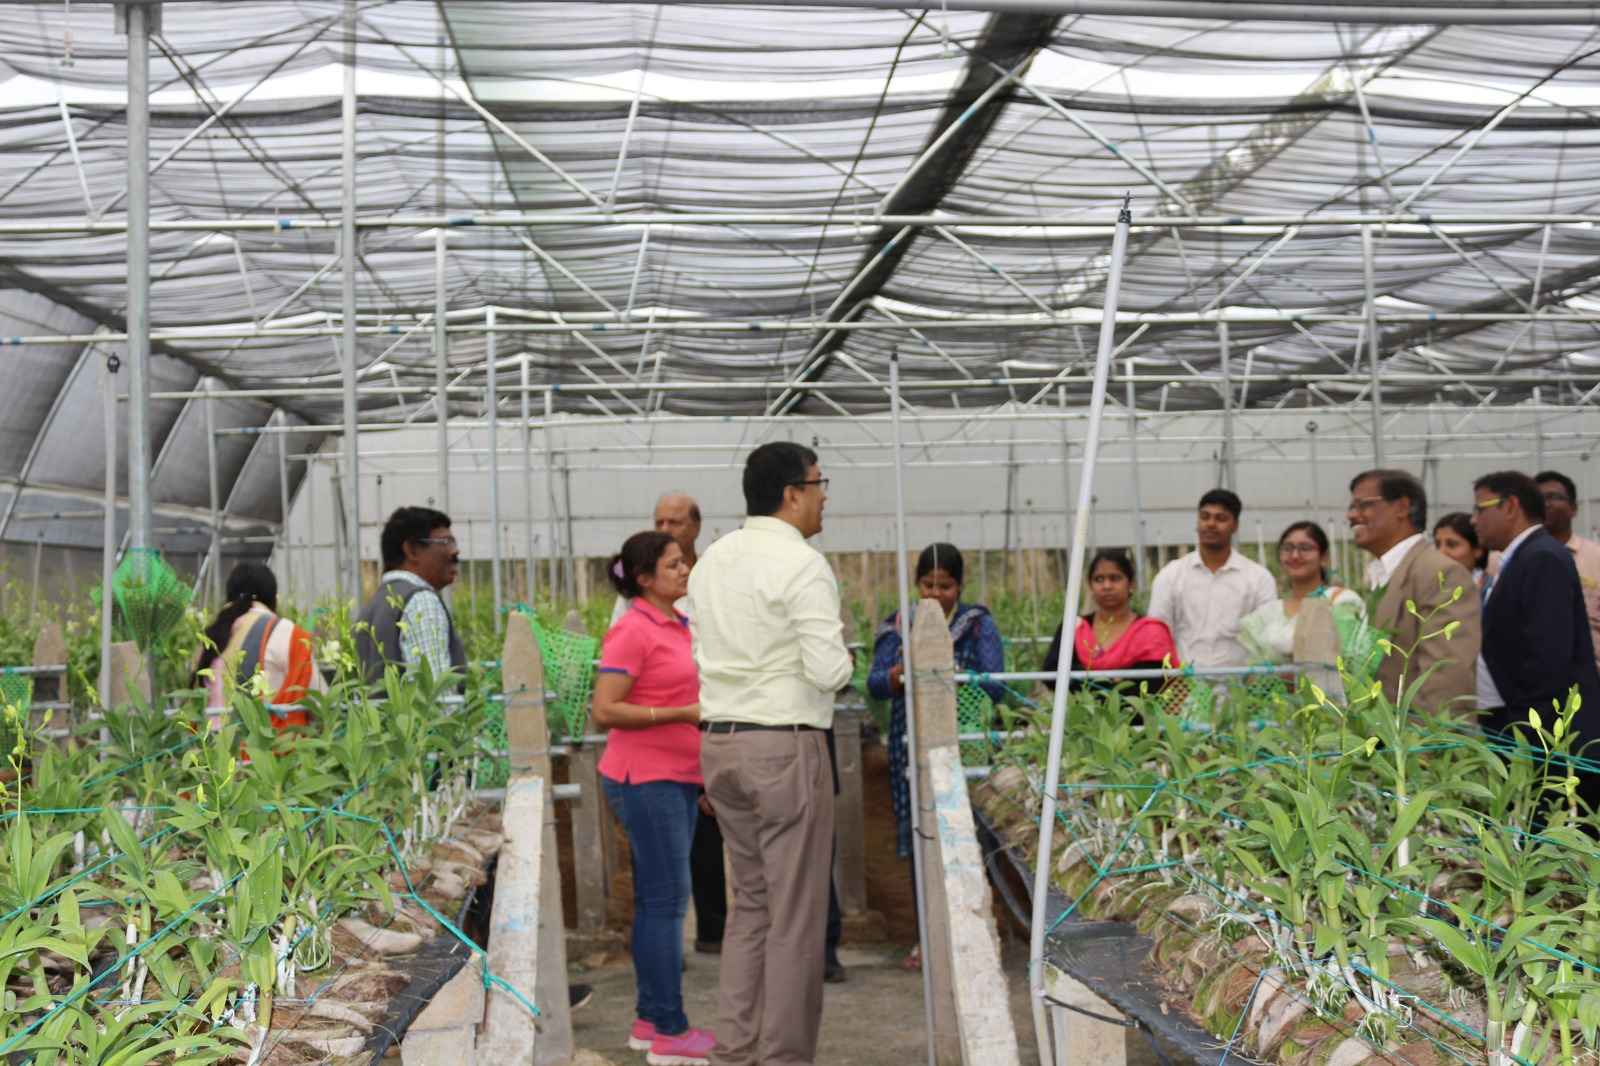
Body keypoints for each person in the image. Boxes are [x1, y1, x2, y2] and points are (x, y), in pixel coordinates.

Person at [688, 441, 853, 1066]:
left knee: (751, 909)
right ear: (792, 492)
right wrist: (846, 659)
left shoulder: (712, 561)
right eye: (820, 483)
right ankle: (783, 1057)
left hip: (722, 746)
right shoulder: (803, 564)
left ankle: (734, 1049)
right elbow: (827, 668)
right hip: (784, 747)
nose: (824, 495)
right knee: (796, 918)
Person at [592, 531, 716, 1065]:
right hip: (645, 780)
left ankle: (649, 1020)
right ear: (645, 579)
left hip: (673, 777)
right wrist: (680, 716)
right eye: (672, 564)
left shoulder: (677, 624)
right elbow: (605, 709)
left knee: (658, 903)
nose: (684, 569)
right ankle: (669, 1030)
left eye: (684, 561)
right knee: (666, 904)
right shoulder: (632, 632)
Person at [866, 542, 1005, 972]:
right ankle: (927, 939)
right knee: (922, 836)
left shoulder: (978, 626)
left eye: (944, 586)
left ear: (959, 586)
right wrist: (895, 676)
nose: (936, 594)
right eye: (928, 585)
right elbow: (874, 684)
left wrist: (955, 679)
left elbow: (996, 683)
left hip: (966, 745)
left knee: (970, 839)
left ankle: (975, 938)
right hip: (913, 746)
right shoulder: (899, 626)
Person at [1471, 472, 1600, 757]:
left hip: (1544, 740)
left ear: (1510, 506)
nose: (1473, 520)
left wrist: (1527, 734)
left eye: (1480, 509)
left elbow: (1548, 657)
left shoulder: (1541, 558)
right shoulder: (1519, 558)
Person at [1347, 469, 1480, 715]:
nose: (1351, 515)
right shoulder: (1382, 574)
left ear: (1402, 507)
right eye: (1352, 506)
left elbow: (1446, 677)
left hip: (1417, 743)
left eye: (1363, 505)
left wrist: (1423, 747)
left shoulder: (1440, 573)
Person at [1146, 488, 1277, 669]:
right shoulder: (1171, 575)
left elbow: (1267, 637)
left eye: (1221, 518)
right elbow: (1157, 634)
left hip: (1241, 688)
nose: (1211, 524)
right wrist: (1174, 683)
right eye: (1205, 517)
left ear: (1235, 525)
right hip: (1184, 688)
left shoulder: (1258, 578)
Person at [1239, 522, 1367, 692]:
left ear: (1323, 557)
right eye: (1287, 548)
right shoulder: (1266, 614)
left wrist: (1277, 675)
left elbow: (1349, 663)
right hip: (1272, 712)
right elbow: (1250, 676)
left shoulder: (1342, 602)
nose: (1295, 555)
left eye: (1305, 548)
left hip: (1331, 711)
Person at [191, 562, 324, 723]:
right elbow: (322, 703)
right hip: (264, 745)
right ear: (273, 598)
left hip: (209, 745)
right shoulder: (288, 633)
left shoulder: (209, 638)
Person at [354, 506, 465, 686]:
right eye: (446, 542)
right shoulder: (421, 601)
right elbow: (435, 694)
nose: (455, 552)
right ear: (412, 550)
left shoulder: (373, 605)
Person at [1041, 548, 1178, 692]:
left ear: (1131, 584)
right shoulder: (1074, 628)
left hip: (1137, 713)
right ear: (1090, 586)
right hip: (1081, 712)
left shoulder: (1150, 631)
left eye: (1115, 578)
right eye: (1099, 579)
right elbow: (1051, 673)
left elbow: (1155, 681)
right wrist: (1114, 681)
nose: (1107, 586)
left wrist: (1088, 680)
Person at [1534, 470, 1600, 673]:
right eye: (1539, 499)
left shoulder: (1595, 557)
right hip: (1534, 677)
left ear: (1573, 508)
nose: (1546, 504)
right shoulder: (1507, 559)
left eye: (1554, 497)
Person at [1433, 512, 1488, 592]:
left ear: (1478, 549)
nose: (1441, 552)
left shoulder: (1492, 589)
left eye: (1452, 545)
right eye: (1437, 545)